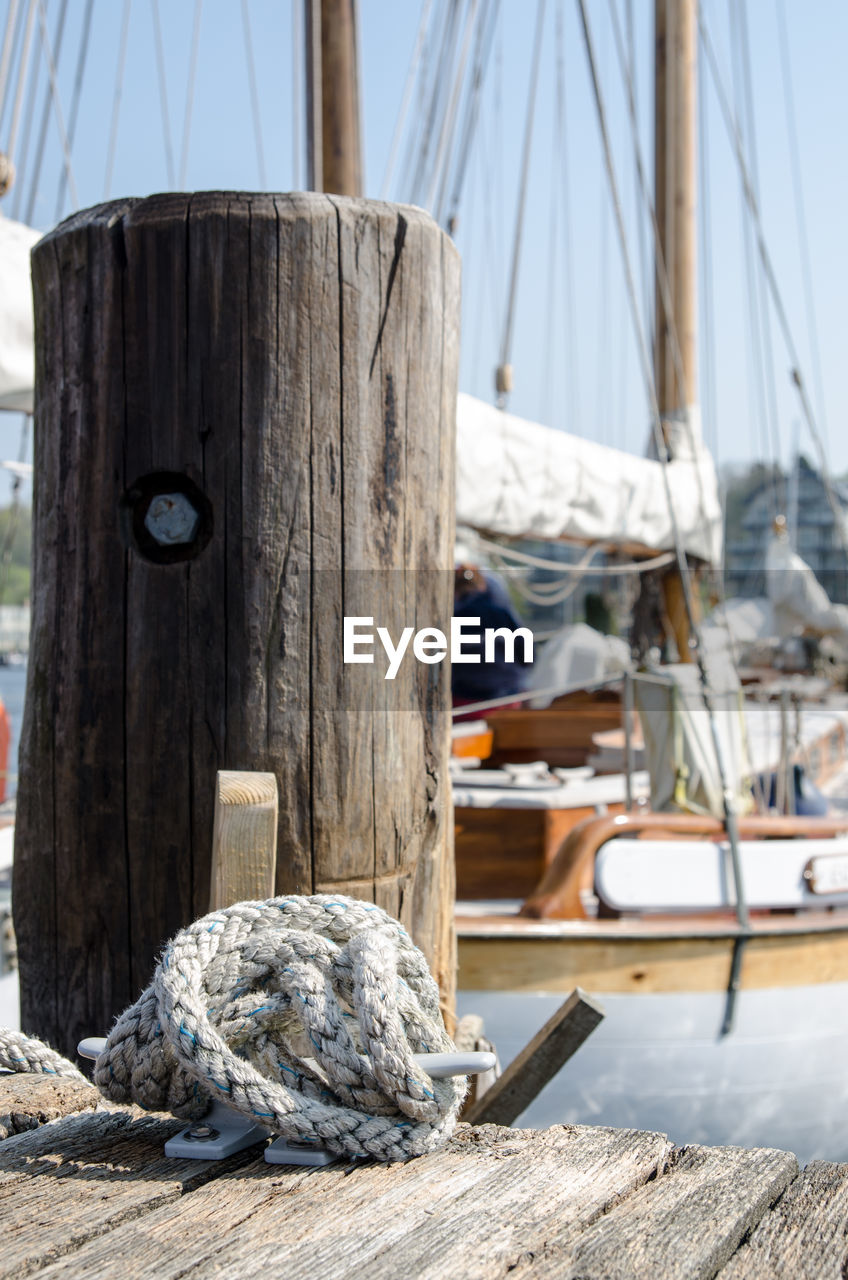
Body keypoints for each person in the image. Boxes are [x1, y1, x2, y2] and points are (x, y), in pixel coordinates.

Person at [452, 565, 532, 711]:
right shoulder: (502, 614)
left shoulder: (453, 617)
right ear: (482, 586)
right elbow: (528, 657)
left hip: (465, 702)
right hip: (506, 700)